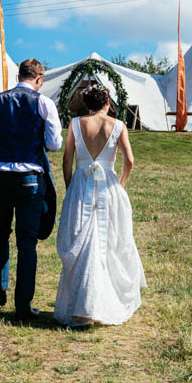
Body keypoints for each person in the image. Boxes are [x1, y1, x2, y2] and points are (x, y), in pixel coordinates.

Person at [0, 59, 62, 321]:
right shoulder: (43, 103)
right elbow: (54, 144)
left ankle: (0, 288)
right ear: (39, 79)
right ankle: (23, 304)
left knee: (0, 231)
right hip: (29, 178)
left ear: (19, 75)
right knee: (27, 242)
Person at [53, 84, 146, 327]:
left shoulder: (75, 124)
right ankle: (102, 303)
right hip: (109, 188)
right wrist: (121, 184)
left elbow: (67, 157)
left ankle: (82, 304)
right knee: (110, 243)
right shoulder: (118, 125)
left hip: (81, 185)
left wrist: (70, 184)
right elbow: (130, 159)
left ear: (87, 103)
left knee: (82, 243)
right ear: (107, 102)